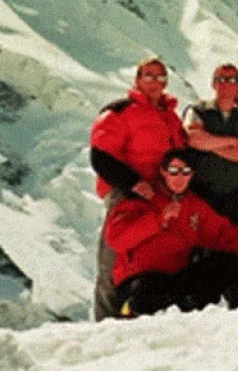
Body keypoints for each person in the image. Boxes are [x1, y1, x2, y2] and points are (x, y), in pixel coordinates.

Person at [103, 149, 238, 318]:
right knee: (148, 297)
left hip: (176, 278)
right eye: (174, 171)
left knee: (230, 263)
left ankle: (205, 310)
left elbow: (222, 232)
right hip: (142, 278)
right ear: (163, 171)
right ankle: (135, 310)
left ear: (192, 174)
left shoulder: (192, 204)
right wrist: (158, 220)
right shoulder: (140, 197)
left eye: (185, 172)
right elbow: (116, 239)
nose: (179, 177)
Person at [89, 56, 187, 321]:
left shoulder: (171, 117)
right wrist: (132, 183)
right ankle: (104, 323)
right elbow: (100, 157)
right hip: (126, 194)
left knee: (154, 258)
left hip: (161, 196)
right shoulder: (120, 112)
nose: (155, 81)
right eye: (149, 75)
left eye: (160, 76)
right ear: (137, 80)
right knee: (114, 258)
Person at [183, 64, 238, 223]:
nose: (226, 84)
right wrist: (233, 141)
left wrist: (209, 144)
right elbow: (193, 139)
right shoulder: (197, 110)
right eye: (220, 79)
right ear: (213, 84)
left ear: (237, 85)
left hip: (233, 199)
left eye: (232, 80)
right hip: (198, 194)